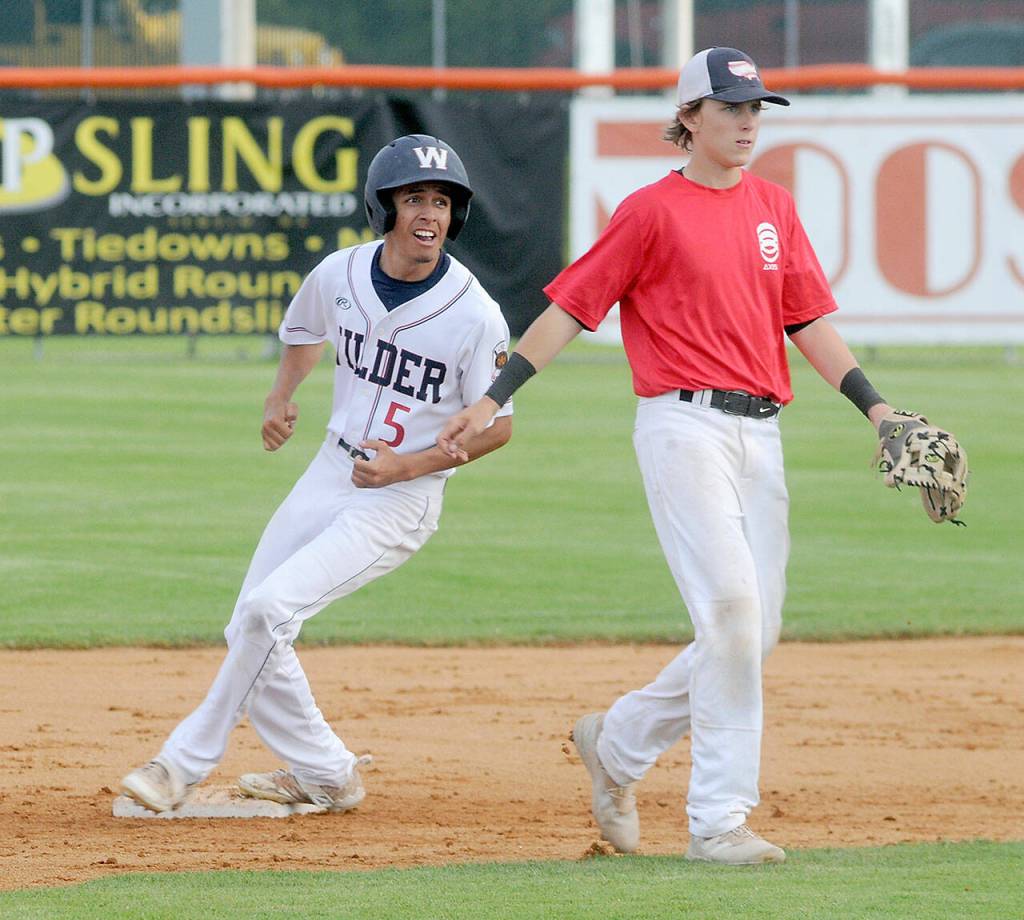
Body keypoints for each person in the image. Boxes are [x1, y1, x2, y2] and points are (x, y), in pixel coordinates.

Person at [438, 48, 902, 865]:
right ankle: (719, 822)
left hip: (762, 434)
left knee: (752, 634)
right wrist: (492, 397)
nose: (749, 120)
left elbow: (808, 324)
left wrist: (878, 407)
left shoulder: (774, 209)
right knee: (729, 612)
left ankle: (616, 746)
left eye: (757, 106)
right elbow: (569, 311)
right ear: (689, 117)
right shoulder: (650, 211)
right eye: (731, 107)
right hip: (681, 427)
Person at [120, 134, 513, 813]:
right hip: (330, 469)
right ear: (383, 207)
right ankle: (328, 774)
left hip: (402, 498)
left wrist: (408, 467)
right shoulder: (342, 273)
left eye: (443, 201)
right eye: (415, 197)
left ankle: (180, 763)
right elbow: (305, 334)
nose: (430, 213)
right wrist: (280, 399)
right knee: (250, 622)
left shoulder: (475, 315)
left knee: (270, 610)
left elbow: (501, 425)